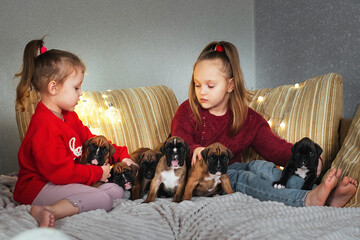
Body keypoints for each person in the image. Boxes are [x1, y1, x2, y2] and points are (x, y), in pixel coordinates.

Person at [171, 41, 358, 207]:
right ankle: (306, 200)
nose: (202, 91)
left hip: (232, 167)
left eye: (210, 86)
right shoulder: (187, 111)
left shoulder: (248, 119)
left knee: (261, 167)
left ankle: (325, 195)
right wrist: (194, 148)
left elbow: (276, 149)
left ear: (230, 85)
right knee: (247, 178)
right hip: (202, 177)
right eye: (197, 85)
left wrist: (311, 158)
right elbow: (178, 143)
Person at [13, 38, 137, 228]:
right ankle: (48, 211)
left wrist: (122, 156)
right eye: (76, 87)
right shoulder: (43, 125)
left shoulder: (69, 116)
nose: (81, 93)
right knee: (103, 199)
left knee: (116, 191)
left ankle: (80, 199)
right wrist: (97, 173)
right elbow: (60, 174)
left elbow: (92, 140)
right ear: (53, 88)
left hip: (60, 182)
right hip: (38, 187)